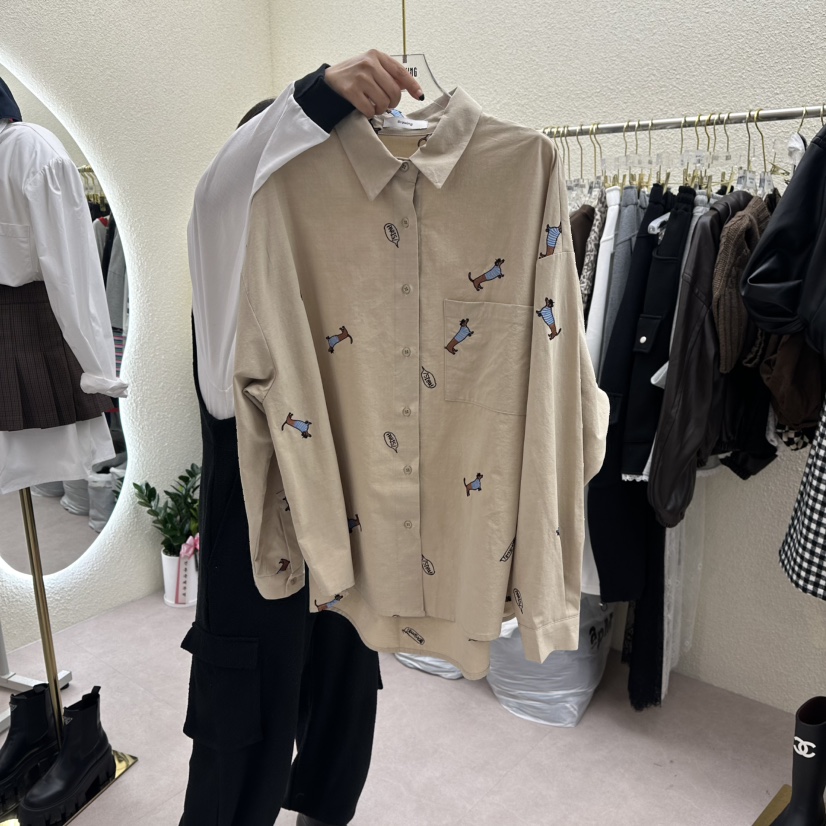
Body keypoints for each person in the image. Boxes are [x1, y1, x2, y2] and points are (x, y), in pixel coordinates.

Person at [181, 52, 423, 826]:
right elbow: (221, 190)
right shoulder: (229, 265)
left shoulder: (337, 273)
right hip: (255, 529)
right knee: (241, 741)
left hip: (344, 526)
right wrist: (316, 97)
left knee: (345, 708)